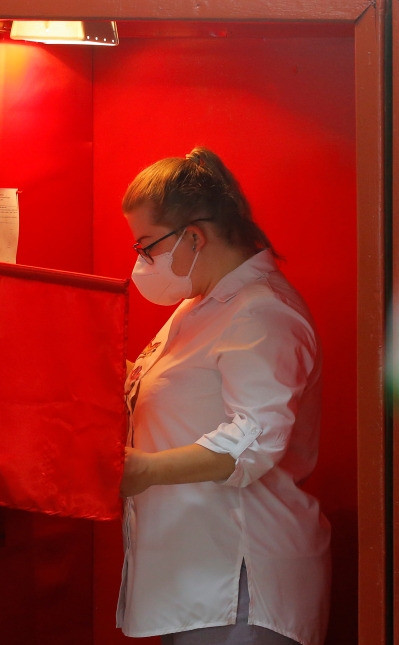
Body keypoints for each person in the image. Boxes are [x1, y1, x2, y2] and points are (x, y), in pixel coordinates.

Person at [116, 147, 330, 645]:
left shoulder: (262, 312)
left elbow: (252, 440)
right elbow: (168, 390)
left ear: (194, 237)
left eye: (147, 246)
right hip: (193, 572)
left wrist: (144, 470)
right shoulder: (202, 305)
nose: (142, 262)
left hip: (240, 577)